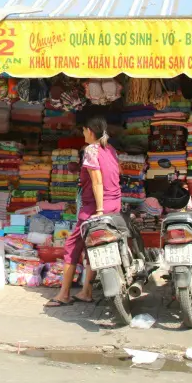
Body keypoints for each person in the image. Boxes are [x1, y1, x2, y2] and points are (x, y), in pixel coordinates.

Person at [46, 117, 121, 307]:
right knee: (94, 246)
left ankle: (63, 294)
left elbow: (97, 181)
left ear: (89, 131)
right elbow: (114, 173)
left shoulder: (90, 150)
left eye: (83, 131)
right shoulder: (110, 149)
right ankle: (86, 291)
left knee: (73, 246)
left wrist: (99, 209)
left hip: (95, 207)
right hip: (114, 204)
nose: (83, 134)